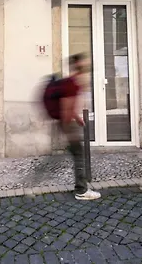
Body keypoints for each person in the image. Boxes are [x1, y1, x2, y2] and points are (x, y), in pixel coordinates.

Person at [57, 53, 101, 201]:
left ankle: (81, 187)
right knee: (79, 157)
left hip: (70, 123)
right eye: (84, 63)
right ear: (78, 65)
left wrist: (77, 118)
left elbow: (69, 105)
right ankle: (81, 190)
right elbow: (66, 106)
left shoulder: (74, 82)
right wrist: (69, 127)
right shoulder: (73, 83)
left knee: (77, 154)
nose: (86, 65)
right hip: (69, 125)